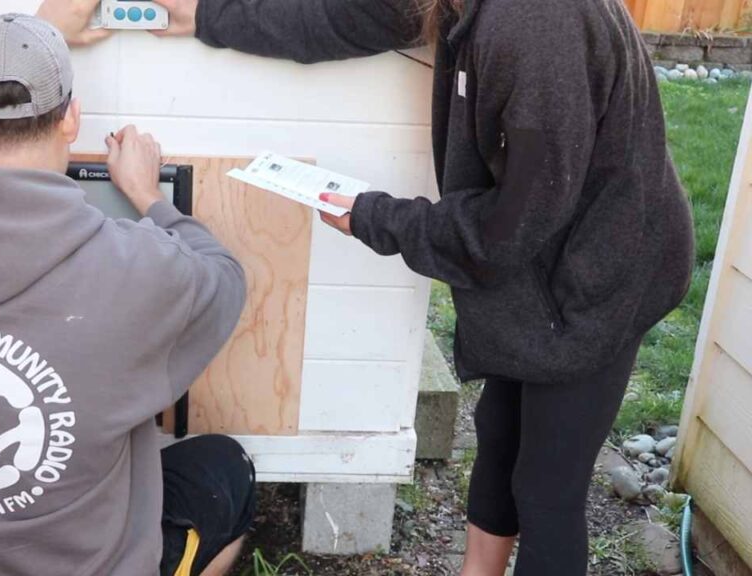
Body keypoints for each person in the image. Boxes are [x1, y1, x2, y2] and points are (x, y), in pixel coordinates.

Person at [75, 0, 695, 574]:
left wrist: (371, 216)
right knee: (501, 437)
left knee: (547, 488)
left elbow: (507, 229)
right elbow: (347, 18)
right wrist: (210, 15)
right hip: (541, 262)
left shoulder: (534, 25)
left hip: (600, 276)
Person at [0, 5, 255, 576]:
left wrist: (34, 25)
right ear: (71, 120)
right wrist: (147, 196)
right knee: (228, 468)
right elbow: (224, 277)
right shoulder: (135, 267)